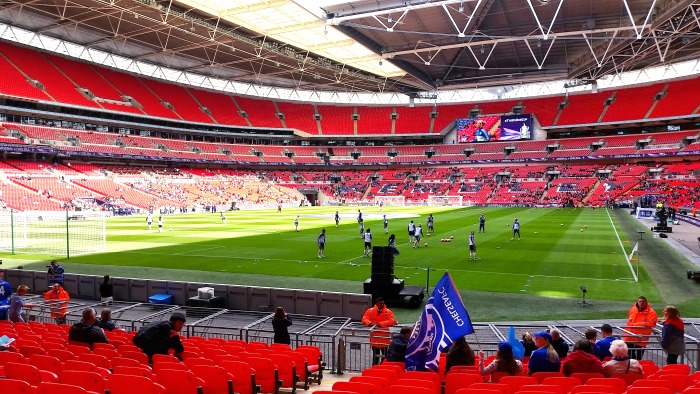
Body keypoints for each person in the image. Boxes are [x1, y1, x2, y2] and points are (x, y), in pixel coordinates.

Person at [362, 297, 397, 365]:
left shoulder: (388, 312)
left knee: (385, 356)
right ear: (376, 303)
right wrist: (369, 323)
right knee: (375, 356)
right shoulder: (370, 311)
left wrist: (381, 324)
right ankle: (375, 368)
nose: (382, 304)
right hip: (375, 339)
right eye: (380, 303)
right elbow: (364, 318)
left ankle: (381, 367)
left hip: (384, 339)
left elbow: (392, 321)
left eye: (383, 303)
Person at [623, 296, 658, 360]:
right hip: (629, 337)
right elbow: (630, 319)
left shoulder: (651, 313)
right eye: (640, 301)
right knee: (629, 356)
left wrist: (635, 324)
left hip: (641, 339)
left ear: (646, 302)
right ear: (637, 301)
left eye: (643, 301)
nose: (641, 303)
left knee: (638, 358)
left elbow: (651, 324)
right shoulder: (633, 309)